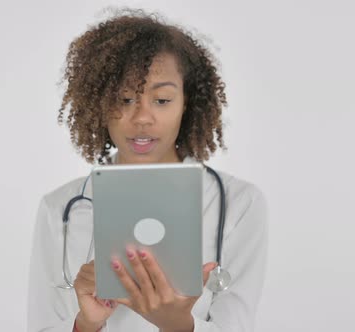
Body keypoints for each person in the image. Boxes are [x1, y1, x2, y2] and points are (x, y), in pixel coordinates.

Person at [27, 9, 268, 332]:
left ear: (187, 102)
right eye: (124, 99)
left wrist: (178, 325)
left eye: (162, 100)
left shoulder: (240, 204)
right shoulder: (60, 208)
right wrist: (86, 324)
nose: (142, 117)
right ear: (99, 104)